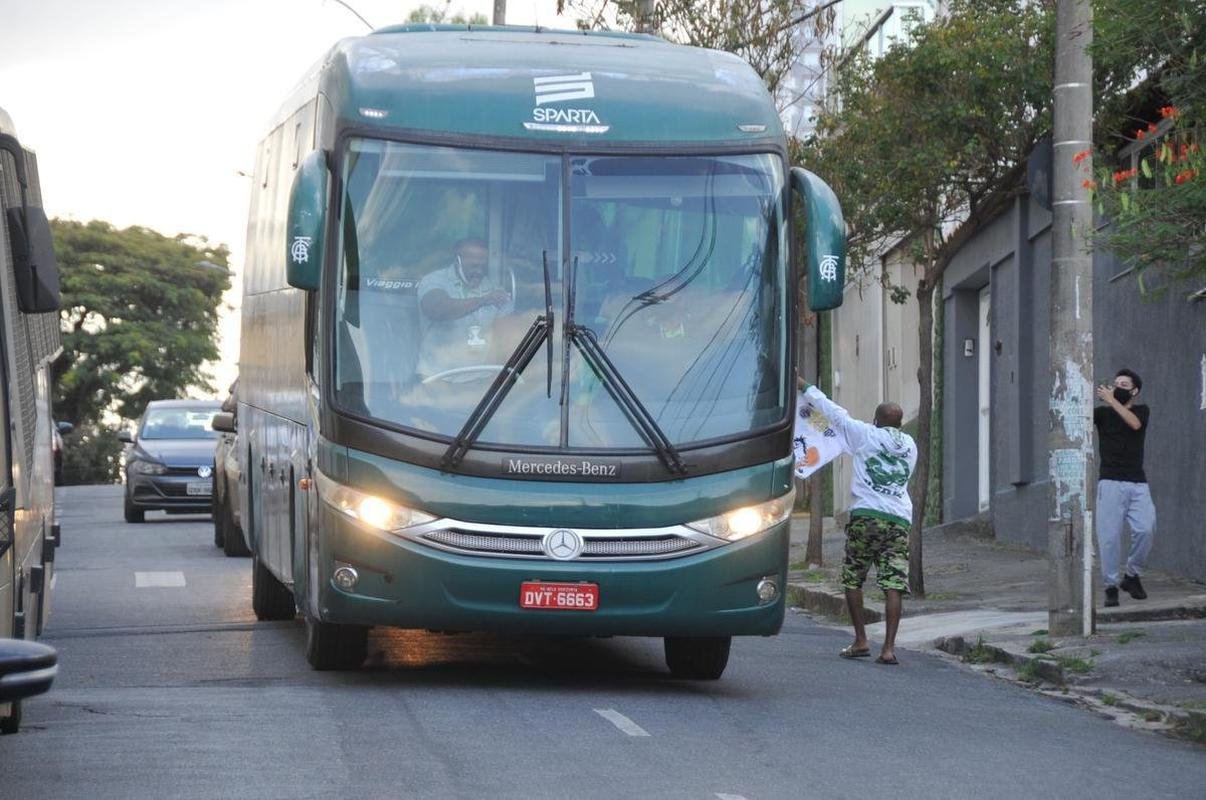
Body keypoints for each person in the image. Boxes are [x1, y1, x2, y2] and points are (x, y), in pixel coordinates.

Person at [797, 377, 917, 666]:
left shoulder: (865, 434)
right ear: (899, 423)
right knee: (893, 585)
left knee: (853, 579)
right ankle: (888, 649)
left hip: (867, 516)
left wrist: (804, 387)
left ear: (876, 420)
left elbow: (834, 411)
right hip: (899, 520)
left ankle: (861, 640)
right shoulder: (911, 445)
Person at [1093, 368, 1155, 608]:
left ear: (1134, 390)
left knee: (1146, 528)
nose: (1118, 387)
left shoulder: (1141, 410)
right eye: (1115, 383)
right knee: (1109, 537)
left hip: (1138, 482)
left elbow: (1135, 424)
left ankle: (1131, 575)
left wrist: (1112, 401)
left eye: (1124, 384)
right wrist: (1103, 401)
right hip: (1109, 482)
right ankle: (1110, 586)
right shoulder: (1102, 414)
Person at [415, 238, 514, 379]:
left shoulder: (495, 290)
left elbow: (505, 340)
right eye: (473, 266)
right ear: (458, 261)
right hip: (436, 376)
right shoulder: (434, 281)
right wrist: (482, 300)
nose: (479, 272)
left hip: (482, 378)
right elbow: (437, 309)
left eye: (483, 267)